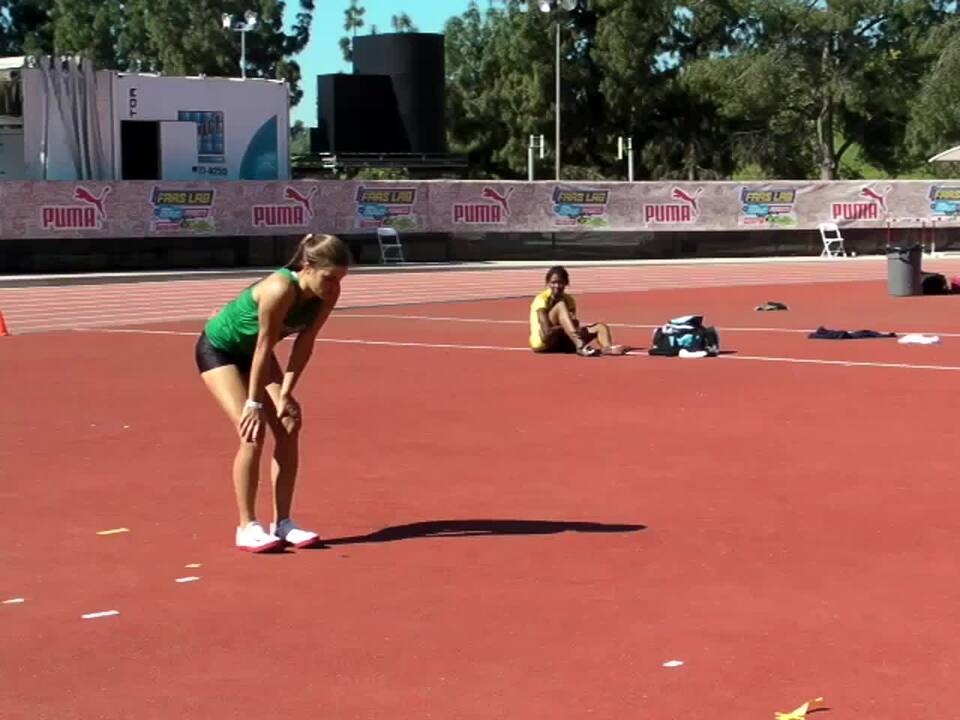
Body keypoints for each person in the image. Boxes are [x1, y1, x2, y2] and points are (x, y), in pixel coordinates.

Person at [195, 233, 351, 553]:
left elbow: (305, 344)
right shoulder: (279, 289)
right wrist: (254, 403)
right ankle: (247, 526)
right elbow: (263, 346)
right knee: (252, 431)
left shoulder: (327, 294)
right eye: (328, 277)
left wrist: (286, 394)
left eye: (340, 279)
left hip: (258, 357)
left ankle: (283, 523)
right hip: (221, 351)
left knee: (289, 423)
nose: (334, 285)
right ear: (307, 266)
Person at [529, 265, 627, 356]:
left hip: (562, 342)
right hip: (544, 343)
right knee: (560, 305)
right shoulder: (541, 299)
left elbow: (574, 324)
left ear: (566, 283)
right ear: (547, 283)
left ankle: (608, 349)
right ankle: (581, 346)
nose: (557, 286)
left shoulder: (569, 300)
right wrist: (567, 326)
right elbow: (547, 332)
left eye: (560, 282)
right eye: (553, 282)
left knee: (600, 327)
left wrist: (571, 326)